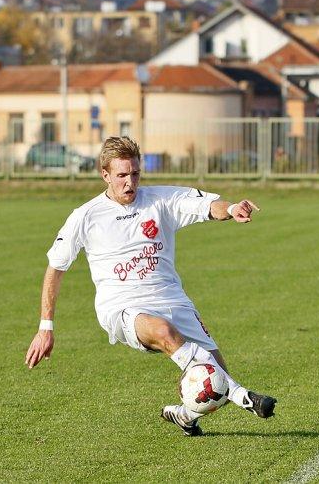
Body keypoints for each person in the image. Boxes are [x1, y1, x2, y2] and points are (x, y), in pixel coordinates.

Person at [25, 136, 276, 436]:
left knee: (215, 382)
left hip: (173, 299)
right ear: (105, 175)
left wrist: (232, 207)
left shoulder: (160, 200)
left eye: (135, 174)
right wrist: (45, 327)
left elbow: (206, 206)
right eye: (121, 176)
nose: (130, 182)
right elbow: (56, 267)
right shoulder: (85, 216)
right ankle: (246, 397)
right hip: (123, 308)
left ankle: (184, 415)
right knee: (164, 333)